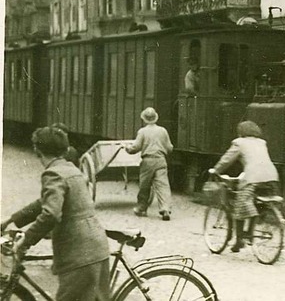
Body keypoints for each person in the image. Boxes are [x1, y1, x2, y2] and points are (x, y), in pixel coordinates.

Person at [1, 127, 110, 301]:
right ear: (65, 149)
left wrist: (25, 240)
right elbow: (43, 201)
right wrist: (12, 219)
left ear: (37, 150)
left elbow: (50, 213)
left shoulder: (52, 174)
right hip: (97, 248)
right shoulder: (71, 169)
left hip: (78, 254)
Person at [210, 121, 280, 253]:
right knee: (254, 202)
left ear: (241, 132)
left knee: (239, 205)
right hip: (271, 176)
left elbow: (227, 160)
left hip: (253, 177)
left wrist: (216, 170)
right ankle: (246, 235)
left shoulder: (239, 143)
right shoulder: (262, 142)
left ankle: (239, 240)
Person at [125, 107, 173, 221]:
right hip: (161, 160)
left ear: (144, 119)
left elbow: (135, 148)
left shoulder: (142, 131)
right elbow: (169, 148)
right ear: (155, 118)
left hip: (148, 161)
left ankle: (141, 208)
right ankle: (165, 209)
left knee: (144, 186)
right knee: (163, 186)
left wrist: (127, 148)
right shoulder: (163, 130)